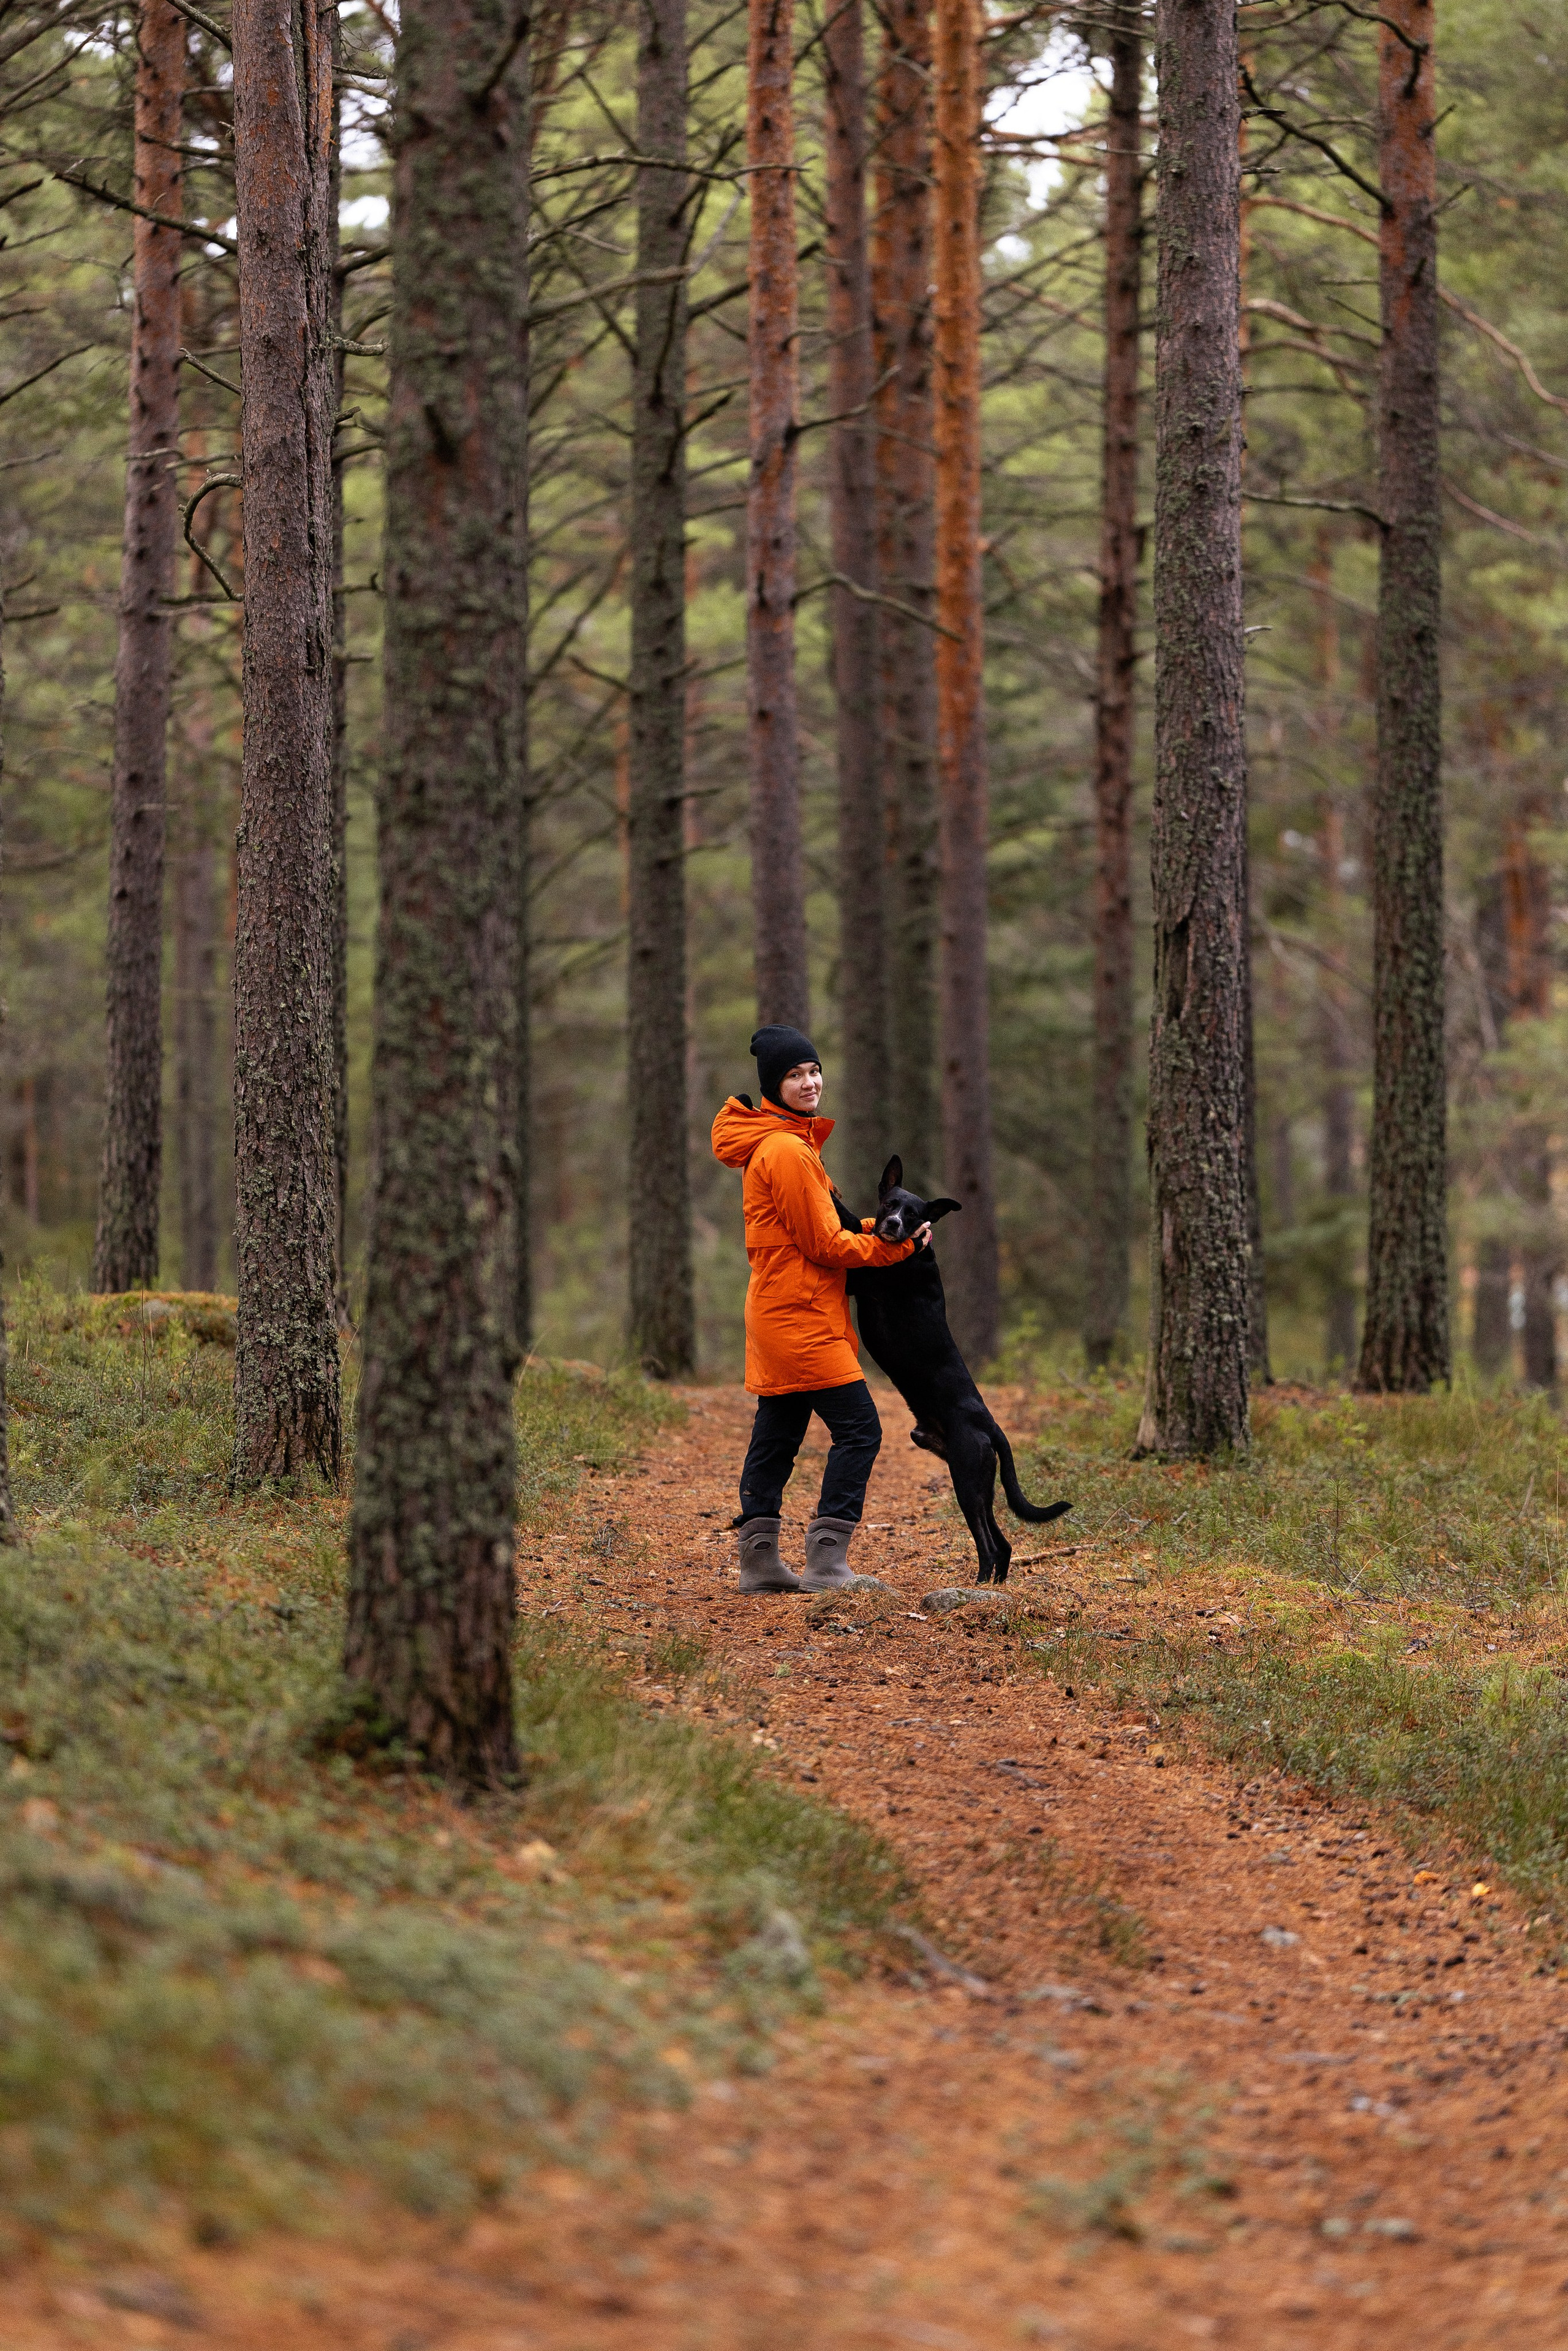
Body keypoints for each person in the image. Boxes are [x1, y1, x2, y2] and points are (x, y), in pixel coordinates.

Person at [710, 1025, 928, 1593]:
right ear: (772, 1087)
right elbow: (824, 1246)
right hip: (801, 1315)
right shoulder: (786, 1150)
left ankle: (759, 1566)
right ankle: (828, 1564)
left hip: (783, 1308)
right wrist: (895, 1248)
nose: (809, 1083)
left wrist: (879, 1230)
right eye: (793, 1075)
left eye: (813, 1071)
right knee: (860, 1430)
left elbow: (824, 1229)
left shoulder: (790, 1143)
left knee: (778, 1432)